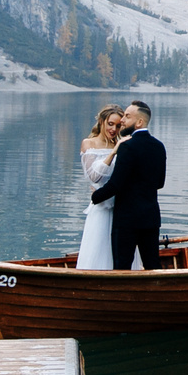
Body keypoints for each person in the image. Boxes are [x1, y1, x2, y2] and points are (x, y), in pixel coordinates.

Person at [90, 99, 166, 270]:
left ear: (139, 122)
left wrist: (96, 196)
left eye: (127, 116)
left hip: (127, 220)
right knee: (153, 264)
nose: (122, 120)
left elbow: (115, 185)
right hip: (151, 217)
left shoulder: (128, 147)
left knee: (122, 267)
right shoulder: (159, 147)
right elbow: (159, 183)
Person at [73, 104, 133, 270]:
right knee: (98, 252)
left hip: (120, 208)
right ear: (101, 122)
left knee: (121, 254)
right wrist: (114, 151)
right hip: (100, 207)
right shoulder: (88, 143)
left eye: (118, 125)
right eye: (110, 124)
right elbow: (94, 176)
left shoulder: (123, 144)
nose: (113, 129)